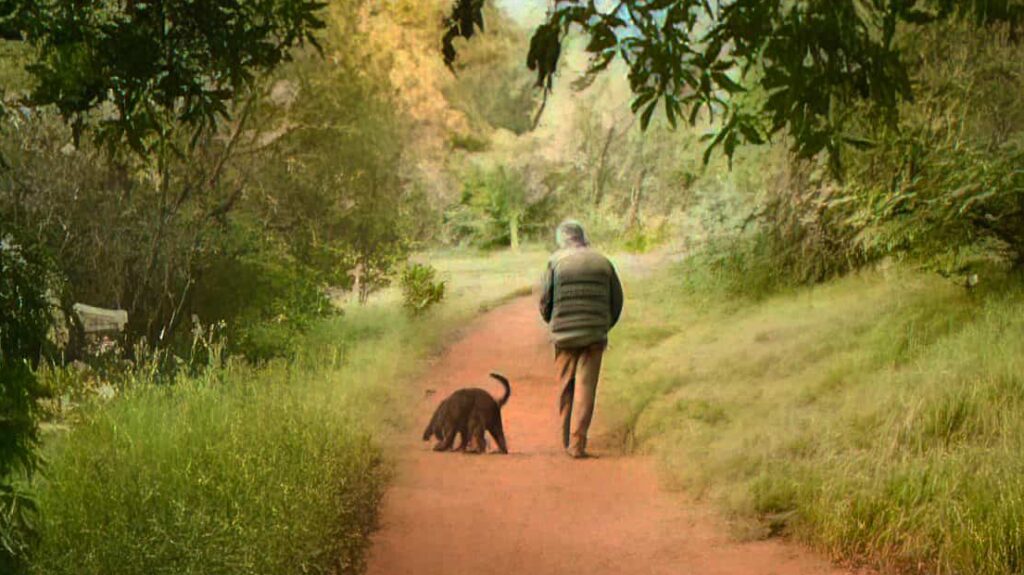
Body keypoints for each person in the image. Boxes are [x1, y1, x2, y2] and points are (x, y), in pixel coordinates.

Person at [539, 220, 624, 458]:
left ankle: (563, 439)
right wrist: (603, 325)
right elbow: (616, 301)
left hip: (564, 334)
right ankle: (577, 444)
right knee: (586, 388)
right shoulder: (603, 262)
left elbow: (545, 300)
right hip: (594, 334)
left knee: (565, 385)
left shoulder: (556, 261)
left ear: (562, 240)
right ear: (582, 237)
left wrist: (554, 324)